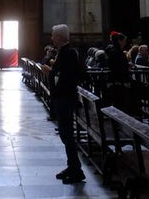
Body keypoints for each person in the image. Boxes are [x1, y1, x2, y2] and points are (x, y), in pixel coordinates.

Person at [44, 23, 85, 184]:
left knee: (67, 134)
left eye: (53, 35)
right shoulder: (64, 52)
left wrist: (50, 72)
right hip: (62, 97)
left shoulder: (68, 53)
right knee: (65, 134)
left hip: (65, 98)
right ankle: (72, 166)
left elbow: (66, 77)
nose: (51, 37)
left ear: (60, 37)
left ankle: (76, 170)